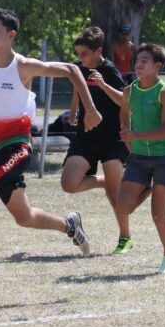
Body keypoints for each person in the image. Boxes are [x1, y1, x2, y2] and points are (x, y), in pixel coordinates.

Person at [0, 8, 103, 284]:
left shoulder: (24, 66)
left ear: (11, 35)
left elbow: (72, 70)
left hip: (17, 148)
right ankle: (70, 226)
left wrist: (90, 109)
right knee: (25, 217)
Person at [62, 26, 131, 253]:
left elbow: (124, 101)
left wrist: (103, 84)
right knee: (69, 184)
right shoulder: (79, 68)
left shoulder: (109, 70)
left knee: (115, 194)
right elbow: (77, 89)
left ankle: (125, 237)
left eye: (84, 54)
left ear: (98, 51)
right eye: (78, 53)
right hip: (86, 136)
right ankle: (105, 180)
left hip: (112, 138)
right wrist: (73, 111)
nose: (80, 58)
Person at [116, 43, 165, 273]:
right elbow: (124, 114)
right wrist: (127, 135)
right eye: (138, 60)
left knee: (158, 215)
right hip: (139, 156)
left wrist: (136, 135)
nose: (139, 64)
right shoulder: (129, 91)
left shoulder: (164, 92)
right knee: (123, 207)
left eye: (145, 61)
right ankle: (152, 187)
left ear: (157, 66)